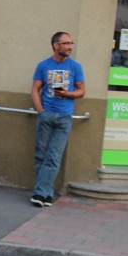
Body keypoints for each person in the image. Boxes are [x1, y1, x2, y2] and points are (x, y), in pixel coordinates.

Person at [30, 31, 86, 207]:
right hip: (46, 115)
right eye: (66, 43)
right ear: (56, 45)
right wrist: (41, 110)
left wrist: (67, 94)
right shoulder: (43, 65)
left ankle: (40, 193)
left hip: (64, 117)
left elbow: (82, 91)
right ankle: (46, 193)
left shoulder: (75, 67)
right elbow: (35, 89)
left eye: (71, 43)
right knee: (41, 155)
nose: (70, 47)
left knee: (53, 157)